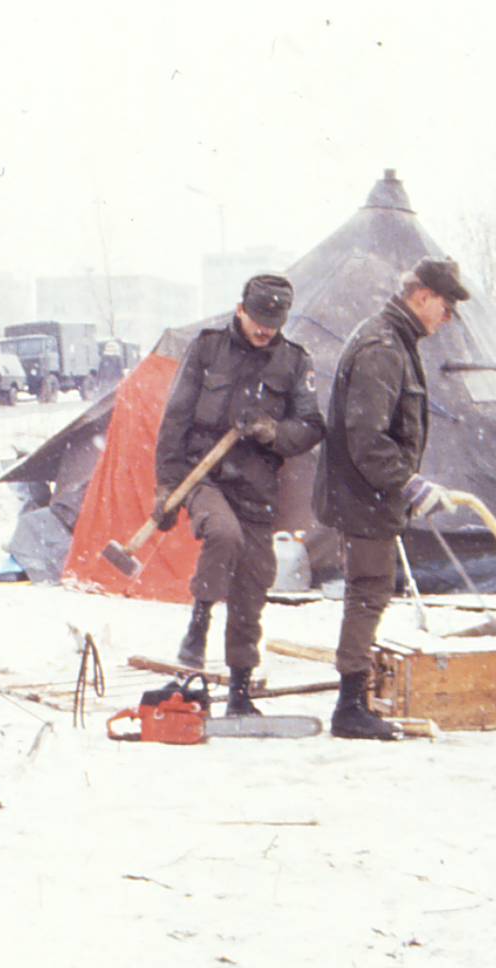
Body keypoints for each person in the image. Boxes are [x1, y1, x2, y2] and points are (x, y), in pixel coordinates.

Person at [152, 273, 325, 715]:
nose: (264, 329)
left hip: (256, 485)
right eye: (258, 319)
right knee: (223, 534)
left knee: (254, 582)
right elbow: (175, 419)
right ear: (240, 310)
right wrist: (167, 486)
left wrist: (273, 432)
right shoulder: (207, 350)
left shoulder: (294, 362)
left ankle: (240, 692)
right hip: (203, 476)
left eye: (274, 322)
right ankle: (199, 623)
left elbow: (310, 427)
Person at [313, 256, 469, 740]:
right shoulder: (383, 346)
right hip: (363, 494)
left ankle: (354, 699)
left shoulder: (395, 340)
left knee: (371, 591)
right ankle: (349, 708)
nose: (449, 319)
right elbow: (367, 438)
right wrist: (409, 483)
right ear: (422, 296)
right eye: (446, 307)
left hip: (369, 493)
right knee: (368, 591)